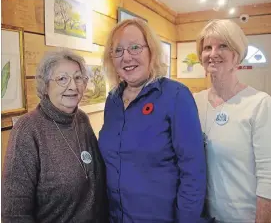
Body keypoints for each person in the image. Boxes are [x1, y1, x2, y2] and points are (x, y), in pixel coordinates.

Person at [99, 18, 207, 222]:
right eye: (118, 50)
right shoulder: (112, 101)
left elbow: (193, 172)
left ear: (152, 51)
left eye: (135, 47)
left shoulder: (176, 96)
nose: (126, 57)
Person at [2, 49, 107, 223]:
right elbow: (14, 213)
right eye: (62, 79)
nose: (73, 86)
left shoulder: (81, 119)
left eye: (78, 77)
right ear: (45, 85)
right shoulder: (28, 129)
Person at [194, 19, 271, 223]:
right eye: (207, 47)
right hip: (200, 216)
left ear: (237, 54)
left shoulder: (259, 104)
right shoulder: (193, 102)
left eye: (222, 45)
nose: (213, 53)